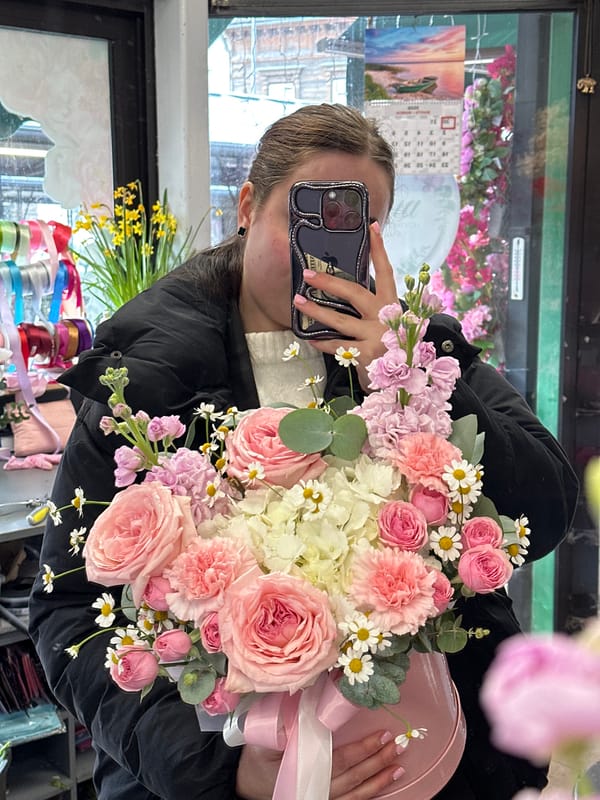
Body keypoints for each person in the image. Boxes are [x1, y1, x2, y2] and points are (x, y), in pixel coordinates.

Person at [28, 103, 578, 800]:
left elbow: (547, 512)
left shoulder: (421, 350)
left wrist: (407, 369)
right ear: (249, 206)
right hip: (225, 762)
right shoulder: (146, 376)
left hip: (430, 754)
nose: (324, 251)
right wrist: (224, 774)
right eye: (307, 216)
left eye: (357, 225)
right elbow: (68, 610)